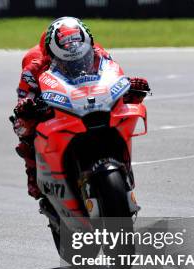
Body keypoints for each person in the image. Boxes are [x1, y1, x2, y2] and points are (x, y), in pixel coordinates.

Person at [11, 17, 150, 199]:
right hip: (54, 107)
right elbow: (22, 101)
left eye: (79, 52)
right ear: (52, 52)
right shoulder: (34, 68)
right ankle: (33, 172)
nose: (75, 57)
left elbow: (112, 77)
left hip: (90, 100)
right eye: (66, 53)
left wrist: (130, 89)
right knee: (24, 127)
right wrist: (27, 106)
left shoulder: (100, 54)